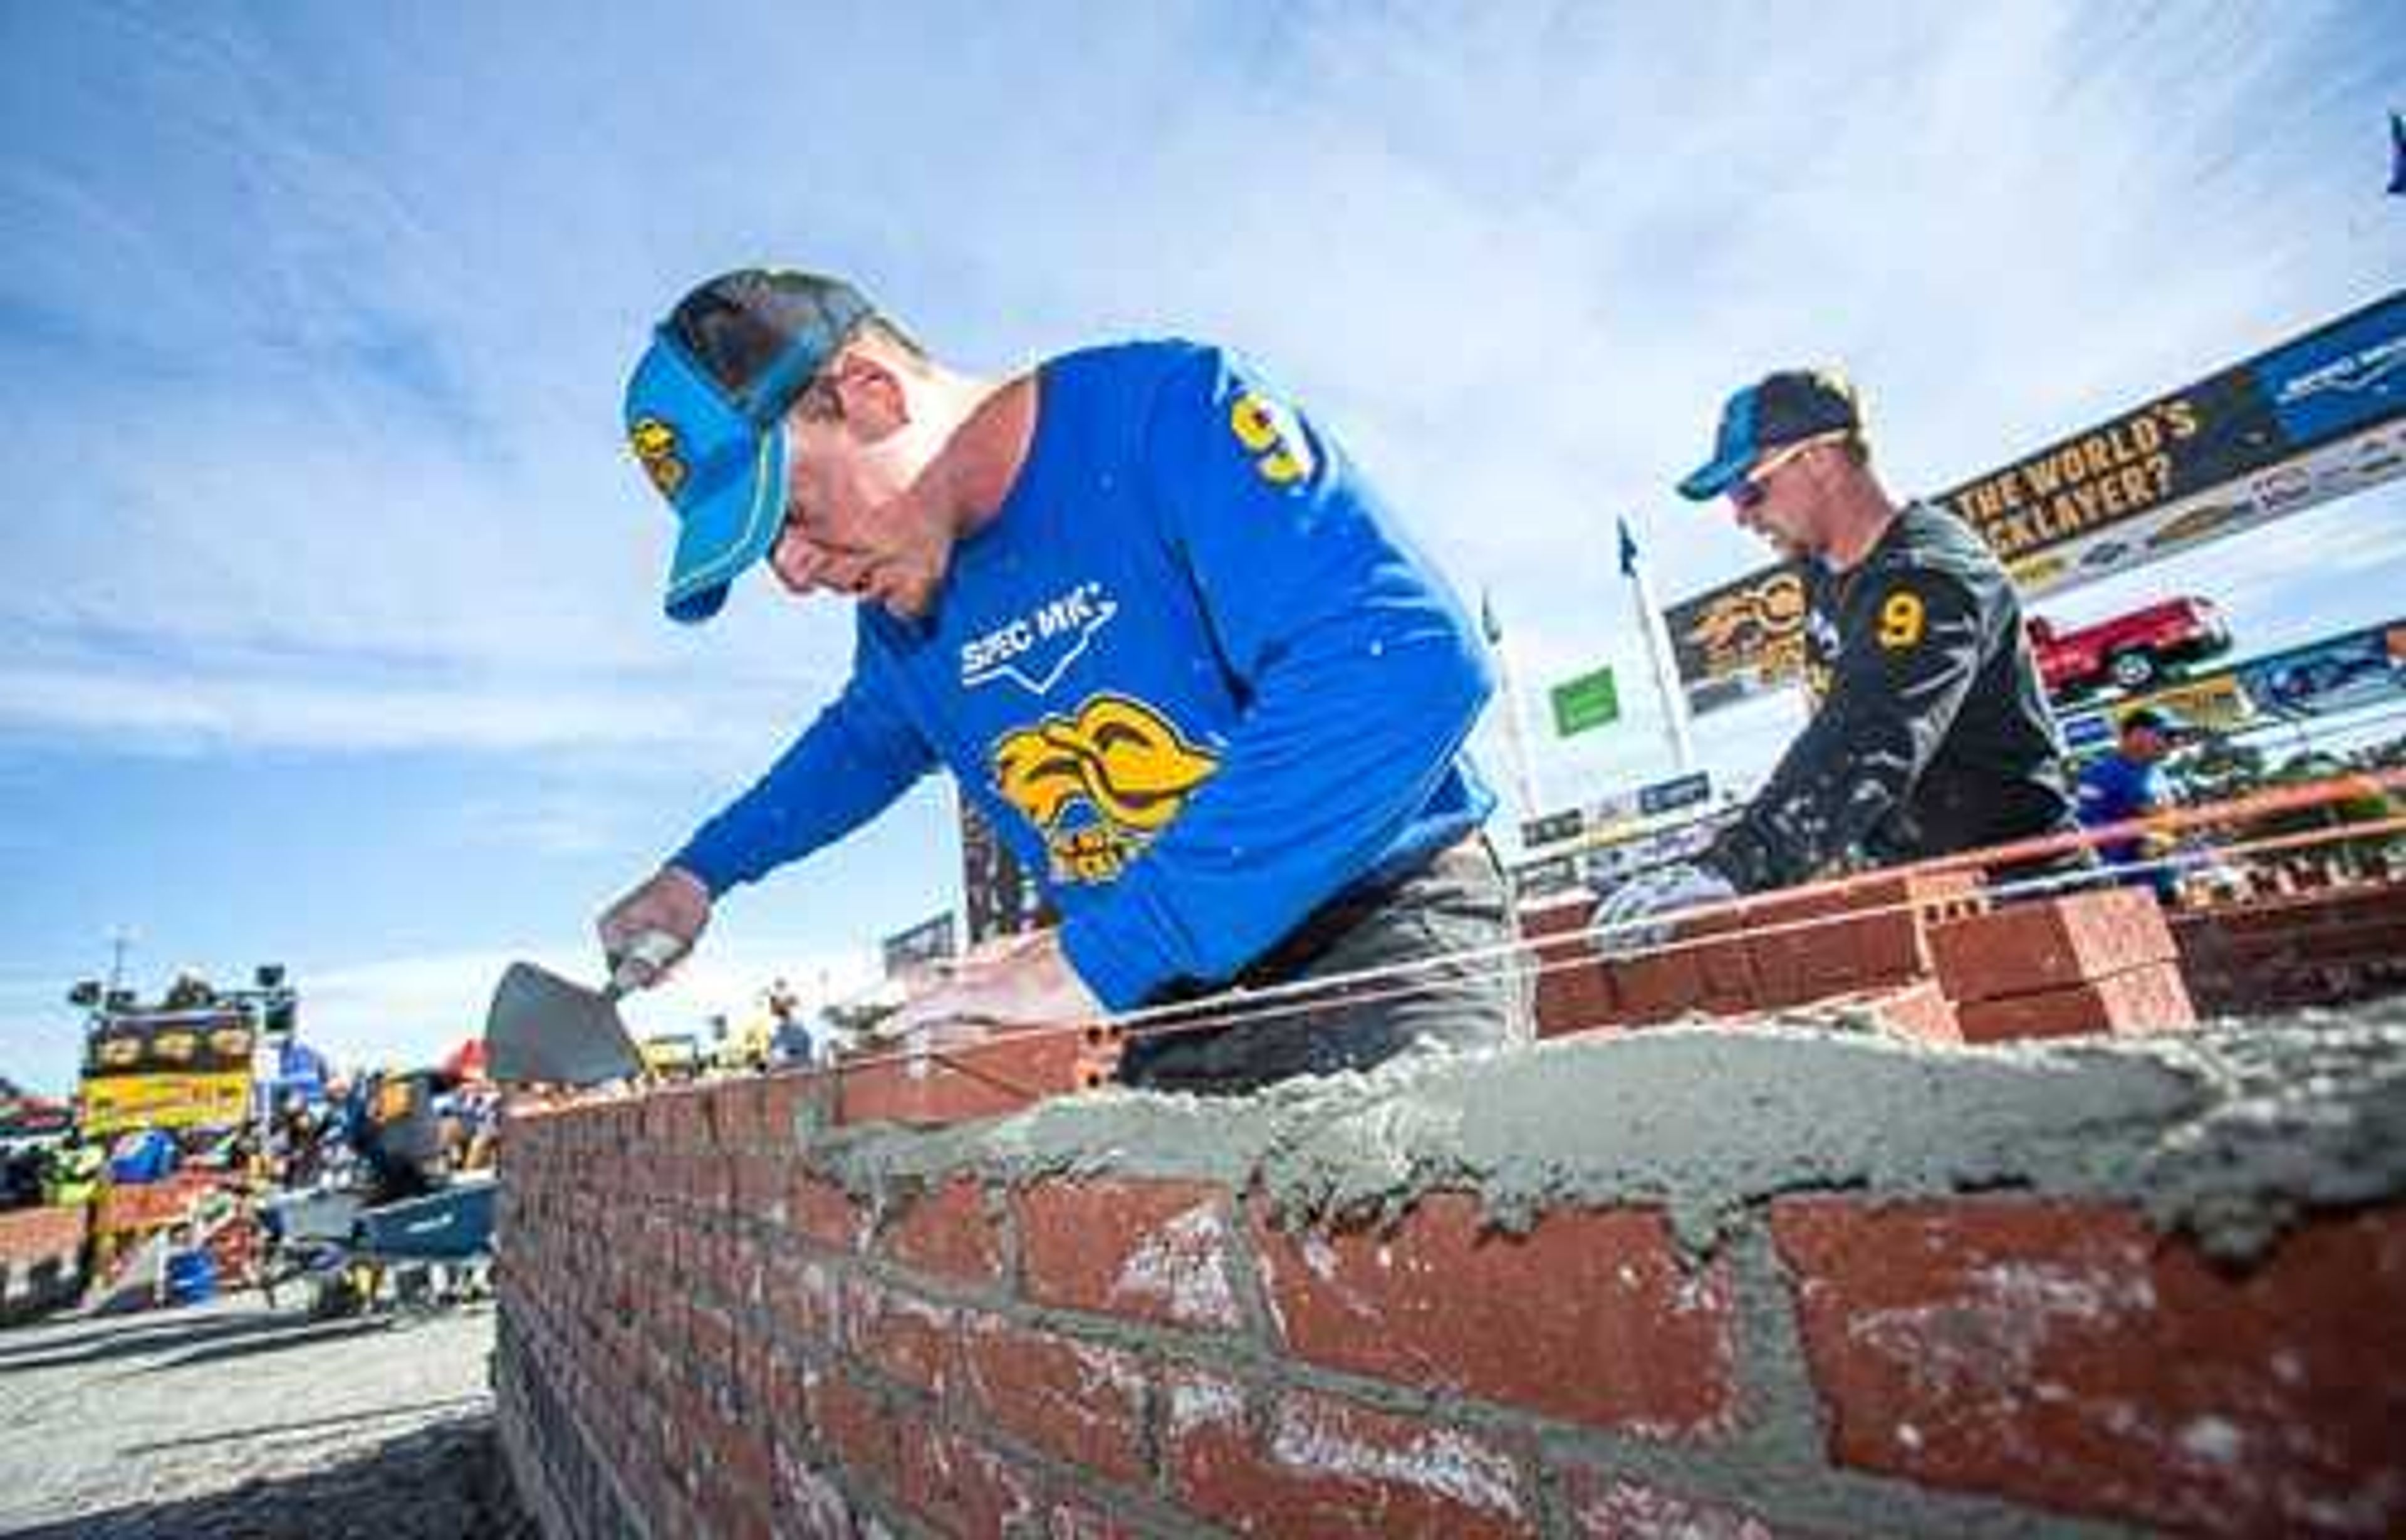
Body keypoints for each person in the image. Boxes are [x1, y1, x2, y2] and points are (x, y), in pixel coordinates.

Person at [596, 269, 1526, 1093]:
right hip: (1169, 995)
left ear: (871, 394)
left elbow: (1402, 662)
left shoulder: (1168, 411)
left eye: (791, 514)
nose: (794, 574)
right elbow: (860, 743)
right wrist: (700, 872)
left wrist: (1103, 954)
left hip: (1376, 938)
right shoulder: (898, 610)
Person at [1601, 369, 2083, 935]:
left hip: (2024, 891)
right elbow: (1830, 728)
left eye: (1748, 489)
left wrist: (1740, 866)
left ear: (1820, 460)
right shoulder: (1821, 568)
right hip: (1928, 887)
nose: (1740, 515)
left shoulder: (1928, 575)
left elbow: (1870, 735)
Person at [2076, 707, 2183, 901]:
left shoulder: (2158, 773)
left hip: (2165, 880)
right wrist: (2138, 838)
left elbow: (2166, 825)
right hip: (2128, 887)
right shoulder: (2098, 774)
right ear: (2137, 735)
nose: (2176, 743)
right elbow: (2087, 828)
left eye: (2176, 737)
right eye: (2168, 735)